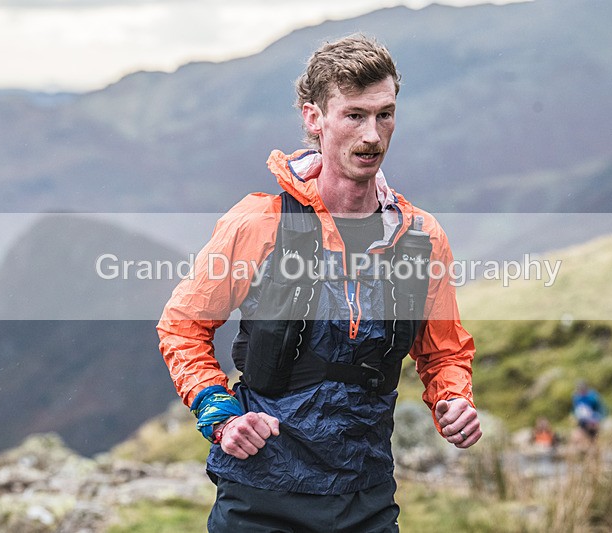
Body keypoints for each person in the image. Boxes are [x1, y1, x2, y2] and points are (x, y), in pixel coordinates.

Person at [157, 34, 481, 532]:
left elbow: (443, 352)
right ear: (315, 118)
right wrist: (220, 413)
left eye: (385, 114)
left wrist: (453, 400)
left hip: (365, 496)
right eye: (354, 115)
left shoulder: (420, 239)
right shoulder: (259, 224)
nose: (373, 135)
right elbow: (182, 325)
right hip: (260, 494)